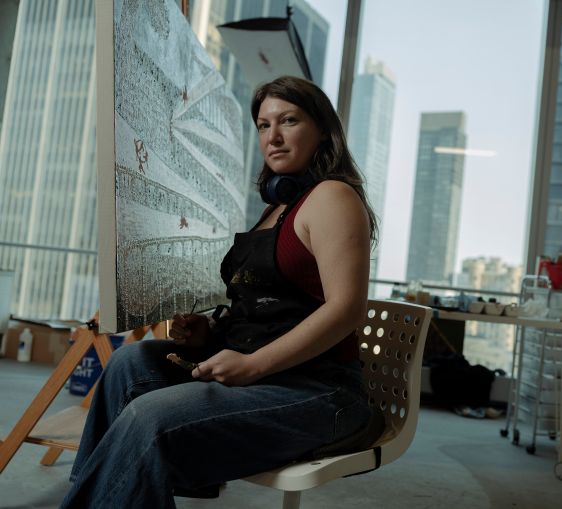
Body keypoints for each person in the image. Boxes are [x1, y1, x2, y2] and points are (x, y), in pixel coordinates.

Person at [60, 76, 378, 508]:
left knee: (149, 417)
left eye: (289, 121)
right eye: (264, 126)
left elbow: (346, 310)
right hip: (271, 374)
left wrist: (252, 365)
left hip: (318, 391)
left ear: (323, 129)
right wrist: (210, 335)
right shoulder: (280, 206)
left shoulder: (333, 197)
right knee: (130, 363)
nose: (274, 137)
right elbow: (274, 309)